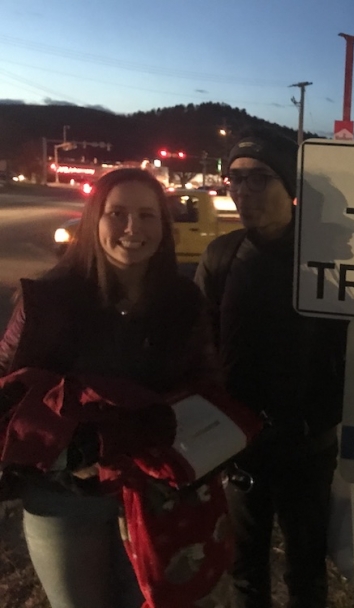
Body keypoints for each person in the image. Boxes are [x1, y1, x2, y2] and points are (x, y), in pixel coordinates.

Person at [0, 168, 223, 608]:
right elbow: (7, 389)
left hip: (155, 496)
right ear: (93, 219)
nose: (132, 229)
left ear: (164, 225)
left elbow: (203, 388)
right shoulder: (47, 300)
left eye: (147, 215)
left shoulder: (184, 304)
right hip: (63, 498)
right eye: (116, 213)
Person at [194, 128, 347, 607]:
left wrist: (320, 417)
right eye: (234, 180)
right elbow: (201, 348)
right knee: (244, 572)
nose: (242, 192)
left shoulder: (332, 260)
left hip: (308, 448)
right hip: (241, 448)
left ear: (291, 189)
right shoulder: (222, 255)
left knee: (306, 572)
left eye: (258, 179)